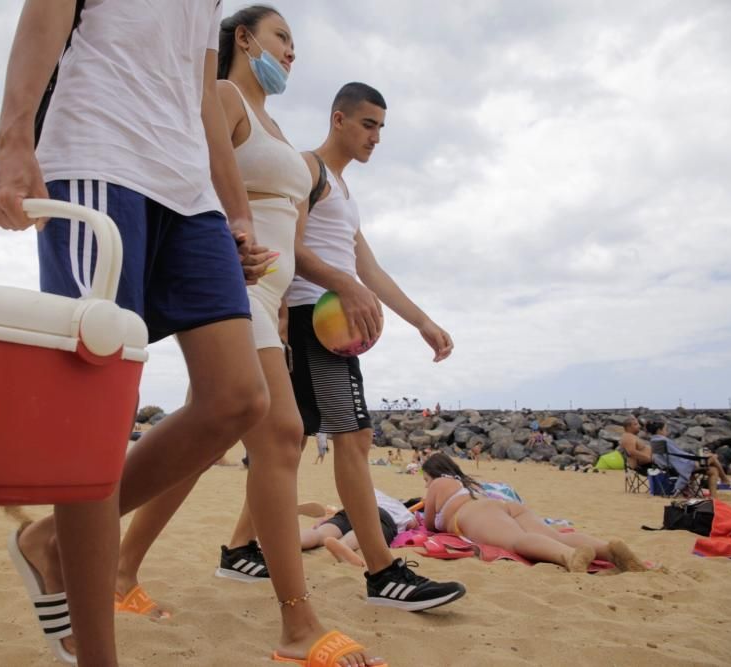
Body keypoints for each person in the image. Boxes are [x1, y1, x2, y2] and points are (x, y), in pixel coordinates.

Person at [0, 2, 273, 664]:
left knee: (236, 396)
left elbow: (200, 91)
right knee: (97, 412)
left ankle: (51, 538)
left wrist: (238, 213)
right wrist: (12, 137)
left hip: (188, 189)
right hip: (99, 152)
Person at [110, 8, 385, 665]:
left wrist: (291, 310)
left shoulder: (276, 126)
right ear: (243, 38)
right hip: (229, 286)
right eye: (281, 38)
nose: (291, 52)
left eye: (294, 44)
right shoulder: (226, 98)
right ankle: (297, 625)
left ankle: (114, 568)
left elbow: (287, 234)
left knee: (203, 438)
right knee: (283, 434)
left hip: (268, 303)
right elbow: (196, 177)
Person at [284, 81, 466, 612]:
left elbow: (371, 271)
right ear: (338, 119)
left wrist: (422, 321)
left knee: (289, 442)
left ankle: (241, 550)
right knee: (355, 438)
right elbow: (288, 249)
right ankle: (383, 572)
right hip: (316, 323)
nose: (376, 137)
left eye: (382, 127)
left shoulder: (344, 193)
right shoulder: (307, 169)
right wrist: (344, 285)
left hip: (329, 322)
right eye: (368, 124)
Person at [422, 453, 647, 573]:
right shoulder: (461, 484)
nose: (426, 485)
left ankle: (568, 557)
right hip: (500, 506)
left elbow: (431, 525)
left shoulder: (437, 484)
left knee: (516, 541)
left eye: (425, 480)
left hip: (472, 514)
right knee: (556, 536)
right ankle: (609, 550)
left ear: (432, 473)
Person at [300, 490, 417, 568]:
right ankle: (344, 544)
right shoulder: (404, 511)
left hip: (354, 509)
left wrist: (327, 518)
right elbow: (412, 525)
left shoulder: (376, 492)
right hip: (383, 517)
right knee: (362, 533)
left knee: (320, 533)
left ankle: (295, 540)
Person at [645, 418, 726, 498]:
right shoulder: (664, 441)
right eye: (665, 429)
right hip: (680, 467)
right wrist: (695, 457)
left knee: (713, 470)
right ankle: (724, 479)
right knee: (712, 457)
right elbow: (678, 455)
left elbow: (673, 455)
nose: (667, 431)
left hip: (668, 467)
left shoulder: (654, 441)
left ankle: (714, 496)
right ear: (659, 430)